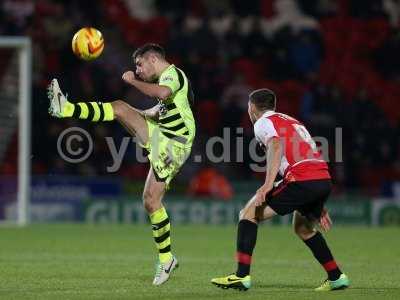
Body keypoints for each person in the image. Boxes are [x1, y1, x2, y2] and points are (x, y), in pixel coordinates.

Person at [47, 43, 195, 285]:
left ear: (153, 59)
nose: (137, 70)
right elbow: (157, 111)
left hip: (173, 144)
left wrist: (132, 84)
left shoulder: (171, 75)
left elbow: (163, 94)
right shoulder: (170, 80)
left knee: (118, 107)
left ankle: (66, 109)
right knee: (151, 201)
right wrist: (130, 111)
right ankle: (167, 259)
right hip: (167, 139)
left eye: (139, 64)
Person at [211, 88, 349, 291]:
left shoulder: (262, 122)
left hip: (301, 179)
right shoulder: (291, 120)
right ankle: (336, 277)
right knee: (303, 229)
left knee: (248, 215)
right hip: (321, 179)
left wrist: (267, 185)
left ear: (252, 107)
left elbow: (276, 146)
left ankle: (241, 276)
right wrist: (316, 202)